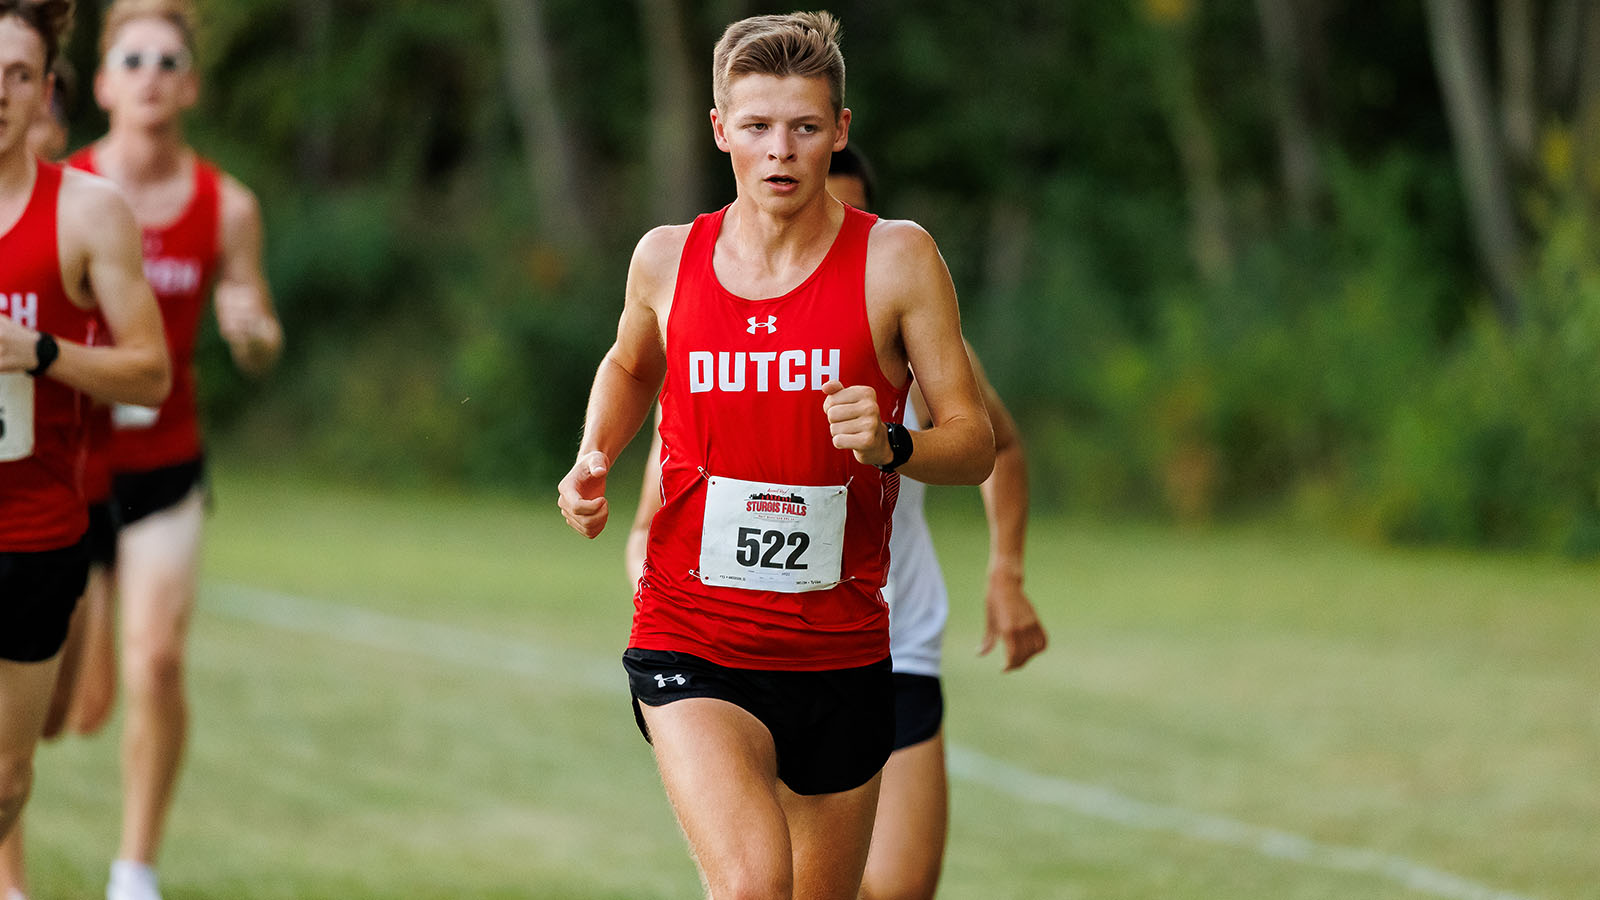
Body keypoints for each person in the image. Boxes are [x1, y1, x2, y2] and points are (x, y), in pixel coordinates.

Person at [557, 12, 994, 899]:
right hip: (693, 636)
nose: (779, 151)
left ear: (839, 131)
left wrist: (894, 444)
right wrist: (592, 454)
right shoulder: (667, 259)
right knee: (756, 886)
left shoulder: (898, 261)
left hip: (840, 650)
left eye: (803, 127)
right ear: (721, 131)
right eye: (756, 127)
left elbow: (978, 443)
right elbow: (630, 363)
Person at [625, 145, 1049, 900]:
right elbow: (654, 501)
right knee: (756, 880)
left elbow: (993, 444)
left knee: (895, 889)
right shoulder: (719, 331)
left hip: (883, 642)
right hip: (731, 645)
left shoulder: (912, 315)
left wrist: (1003, 569)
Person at [67, 3, 282, 898]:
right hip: (61, 471)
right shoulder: (60, 188)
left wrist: (252, 332)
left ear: (190, 84)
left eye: (168, 60)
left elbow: (260, 330)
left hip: (165, 470)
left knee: (156, 659)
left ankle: (134, 871)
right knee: (74, 707)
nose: (151, 72)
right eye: (133, 58)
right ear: (105, 82)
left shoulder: (227, 206)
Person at [0, 5, 171, 900]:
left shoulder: (89, 213)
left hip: (35, 531)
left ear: (46, 90)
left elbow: (150, 375)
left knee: (7, 781)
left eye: (17, 74)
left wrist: (42, 354)